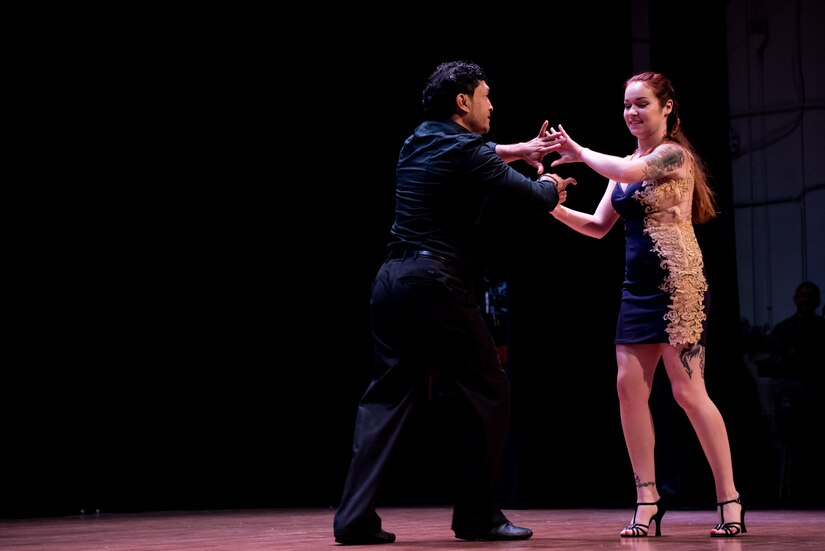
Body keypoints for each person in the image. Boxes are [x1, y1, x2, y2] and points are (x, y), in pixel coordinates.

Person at [332, 60, 575, 545]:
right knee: (489, 391)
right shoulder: (466, 149)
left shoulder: (418, 138)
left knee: (385, 397)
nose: (492, 104)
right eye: (486, 95)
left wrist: (520, 149)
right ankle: (477, 517)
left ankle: (353, 519)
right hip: (435, 284)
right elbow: (532, 199)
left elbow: (475, 155)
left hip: (391, 281)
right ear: (462, 102)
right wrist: (552, 184)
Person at [548, 71, 745, 537]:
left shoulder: (672, 156)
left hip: (678, 283)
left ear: (667, 107)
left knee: (687, 393)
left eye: (641, 104)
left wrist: (577, 153)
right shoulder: (625, 162)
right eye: (626, 105)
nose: (631, 113)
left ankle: (730, 500)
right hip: (635, 289)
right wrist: (550, 206)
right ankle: (647, 499)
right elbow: (598, 226)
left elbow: (624, 173)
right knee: (628, 388)